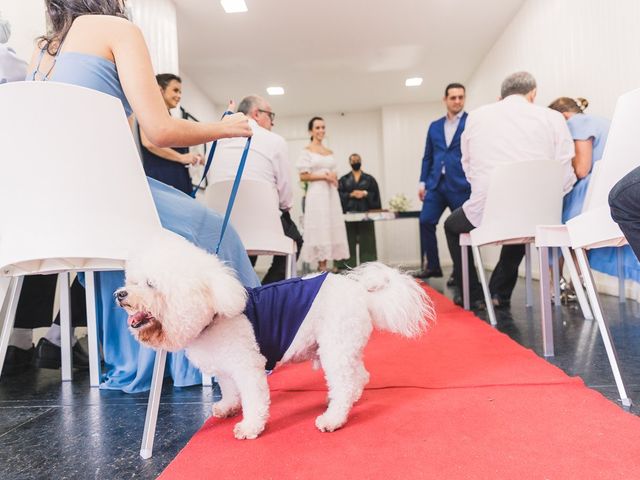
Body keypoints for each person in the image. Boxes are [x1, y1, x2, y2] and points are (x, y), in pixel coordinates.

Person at [26, 0, 258, 393]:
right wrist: (225, 128)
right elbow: (159, 131)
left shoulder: (40, 52)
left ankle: (137, 357)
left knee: (130, 242)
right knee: (214, 229)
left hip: (57, 212)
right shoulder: (118, 31)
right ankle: (240, 349)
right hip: (107, 199)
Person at [444, 72, 576, 309]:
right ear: (533, 93)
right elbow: (565, 171)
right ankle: (498, 292)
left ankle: (472, 295)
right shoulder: (553, 117)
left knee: (451, 226)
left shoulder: (476, 117)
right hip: (539, 213)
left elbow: (467, 164)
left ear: (500, 97)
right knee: (523, 221)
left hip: (490, 209)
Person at [209, 94, 303, 284]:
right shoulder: (274, 140)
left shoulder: (215, 139)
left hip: (222, 227)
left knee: (243, 242)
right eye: (271, 115)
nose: (272, 122)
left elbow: (210, 179)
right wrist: (286, 207)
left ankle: (242, 287)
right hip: (262, 226)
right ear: (256, 114)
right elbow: (285, 194)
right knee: (295, 239)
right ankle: (267, 291)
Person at [549, 97, 611, 300]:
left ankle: (554, 286)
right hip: (605, 192)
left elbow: (582, 169)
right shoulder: (602, 121)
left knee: (554, 229)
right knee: (579, 240)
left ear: (563, 117)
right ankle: (577, 283)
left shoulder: (576, 122)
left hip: (588, 191)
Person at [415, 83, 470, 285]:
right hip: (436, 184)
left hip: (461, 184)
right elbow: (427, 156)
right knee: (425, 221)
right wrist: (423, 182)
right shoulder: (434, 126)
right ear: (445, 99)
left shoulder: (471, 122)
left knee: (462, 230)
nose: (457, 101)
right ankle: (433, 266)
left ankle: (460, 271)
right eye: (453, 97)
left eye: (460, 97)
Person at [297, 117, 349, 272]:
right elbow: (303, 176)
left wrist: (334, 178)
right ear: (311, 131)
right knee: (320, 226)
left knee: (330, 225)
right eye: (317, 127)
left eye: (323, 127)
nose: (321, 130)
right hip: (317, 194)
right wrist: (324, 176)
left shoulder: (329, 152)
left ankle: (328, 266)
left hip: (331, 194)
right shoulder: (306, 151)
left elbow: (335, 171)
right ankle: (321, 267)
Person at [138, 73, 203, 194]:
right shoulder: (151, 112)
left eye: (180, 92)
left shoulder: (168, 118)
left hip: (178, 180)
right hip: (162, 179)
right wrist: (181, 157)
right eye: (175, 90)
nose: (179, 96)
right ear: (160, 90)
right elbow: (149, 143)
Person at [336, 153, 382, 269]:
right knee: (347, 239)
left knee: (367, 240)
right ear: (349, 163)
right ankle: (345, 266)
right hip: (348, 214)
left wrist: (365, 193)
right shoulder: (343, 179)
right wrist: (351, 194)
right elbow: (338, 195)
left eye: (357, 160)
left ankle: (368, 266)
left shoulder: (369, 179)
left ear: (361, 161)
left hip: (365, 213)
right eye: (353, 160)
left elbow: (375, 194)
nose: (355, 162)